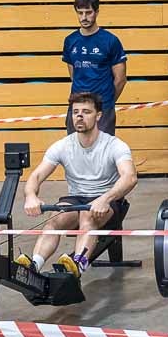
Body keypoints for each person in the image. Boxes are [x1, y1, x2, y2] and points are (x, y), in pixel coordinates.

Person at [21, 92, 138, 277]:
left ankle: (77, 265)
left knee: (87, 216)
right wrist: (31, 196)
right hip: (76, 198)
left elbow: (130, 177)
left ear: (98, 115)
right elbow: (36, 176)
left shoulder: (115, 145)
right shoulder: (62, 146)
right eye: (75, 112)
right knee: (54, 219)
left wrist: (105, 199)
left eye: (86, 111)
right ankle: (34, 266)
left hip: (108, 201)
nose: (79, 116)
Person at [62, 0, 126, 136]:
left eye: (88, 12)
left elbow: (121, 79)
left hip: (103, 108)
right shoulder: (70, 41)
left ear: (96, 12)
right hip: (77, 106)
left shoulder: (111, 41)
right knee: (74, 153)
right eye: (80, 13)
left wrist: (105, 102)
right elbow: (74, 75)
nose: (84, 17)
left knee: (103, 154)